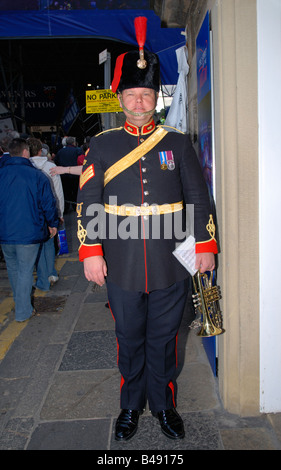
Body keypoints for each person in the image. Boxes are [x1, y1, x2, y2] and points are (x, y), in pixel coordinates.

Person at [76, 18, 218, 442]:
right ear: (121, 99)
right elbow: (88, 203)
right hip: (119, 264)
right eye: (132, 95)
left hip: (172, 262)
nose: (139, 102)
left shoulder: (177, 143)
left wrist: (205, 245)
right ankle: (130, 406)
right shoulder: (101, 146)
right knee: (128, 339)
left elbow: (198, 197)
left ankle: (163, 405)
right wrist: (91, 252)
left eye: (147, 95)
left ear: (156, 99)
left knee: (165, 341)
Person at [0, 138, 58, 322]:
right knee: (25, 270)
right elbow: (48, 204)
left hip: (4, 232)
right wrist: (52, 223)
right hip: (28, 231)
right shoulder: (37, 176)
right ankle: (23, 311)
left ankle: (21, 303)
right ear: (26, 152)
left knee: (13, 268)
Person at [28, 137, 64, 290]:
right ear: (40, 151)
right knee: (49, 244)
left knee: (36, 245)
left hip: (31, 212)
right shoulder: (50, 166)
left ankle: (41, 275)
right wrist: (60, 212)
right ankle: (51, 273)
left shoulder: (26, 166)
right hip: (49, 210)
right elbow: (58, 192)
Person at [54, 136, 82, 212]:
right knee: (76, 191)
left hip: (64, 175)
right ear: (74, 143)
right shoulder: (77, 150)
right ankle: (76, 206)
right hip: (75, 175)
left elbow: (56, 161)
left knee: (66, 192)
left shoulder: (60, 151)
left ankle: (65, 207)